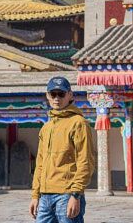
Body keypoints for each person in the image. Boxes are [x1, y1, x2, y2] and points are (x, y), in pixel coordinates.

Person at [29, 77, 95, 223]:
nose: (57, 98)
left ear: (70, 95)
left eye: (61, 94)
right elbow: (40, 164)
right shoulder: (46, 128)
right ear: (47, 96)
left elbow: (86, 162)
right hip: (45, 196)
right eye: (53, 94)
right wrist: (35, 195)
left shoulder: (78, 123)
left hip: (66, 194)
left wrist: (75, 194)